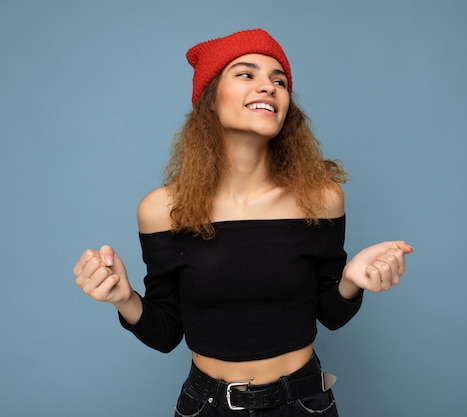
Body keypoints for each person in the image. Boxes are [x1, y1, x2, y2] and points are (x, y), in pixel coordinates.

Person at [73, 28, 413, 417]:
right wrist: (125, 299)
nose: (268, 87)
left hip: (303, 402)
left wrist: (351, 282)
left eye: (279, 81)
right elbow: (166, 333)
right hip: (207, 406)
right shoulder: (162, 210)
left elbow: (331, 315)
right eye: (247, 74)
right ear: (211, 100)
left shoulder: (320, 199)